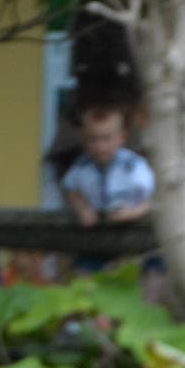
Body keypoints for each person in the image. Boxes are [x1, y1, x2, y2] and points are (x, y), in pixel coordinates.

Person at [61, 102, 155, 275]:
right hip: (99, 236)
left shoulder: (133, 167)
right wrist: (82, 208)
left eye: (106, 138)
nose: (100, 146)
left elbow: (153, 199)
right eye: (93, 139)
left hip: (134, 235)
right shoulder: (82, 167)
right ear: (84, 139)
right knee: (83, 274)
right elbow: (71, 189)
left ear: (121, 138)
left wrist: (134, 212)